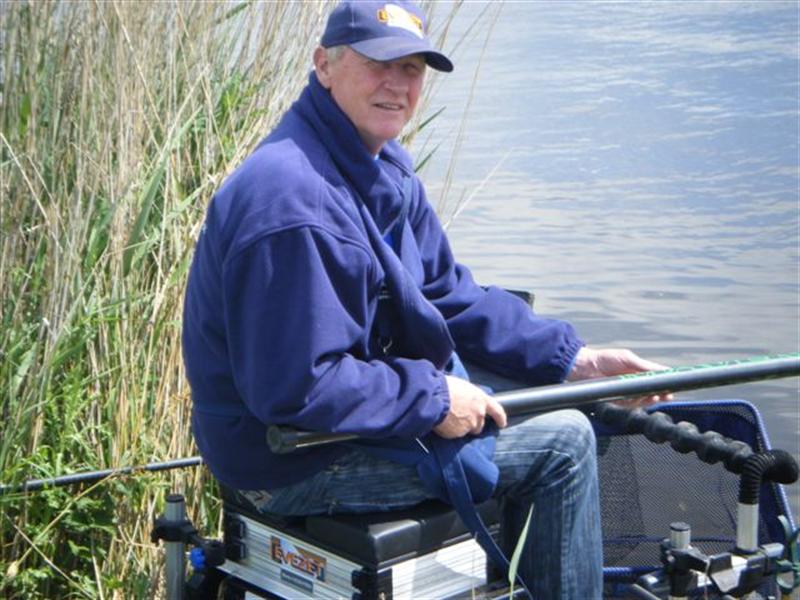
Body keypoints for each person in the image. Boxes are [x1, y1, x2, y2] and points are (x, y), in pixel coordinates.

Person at [182, 2, 668, 597]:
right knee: (564, 444)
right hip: (286, 462)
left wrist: (574, 361)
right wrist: (434, 398)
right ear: (324, 65)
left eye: (411, 68)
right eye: (377, 63)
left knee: (567, 398)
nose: (397, 84)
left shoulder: (380, 166)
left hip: (338, 423)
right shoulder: (295, 203)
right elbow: (296, 388)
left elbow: (448, 296)